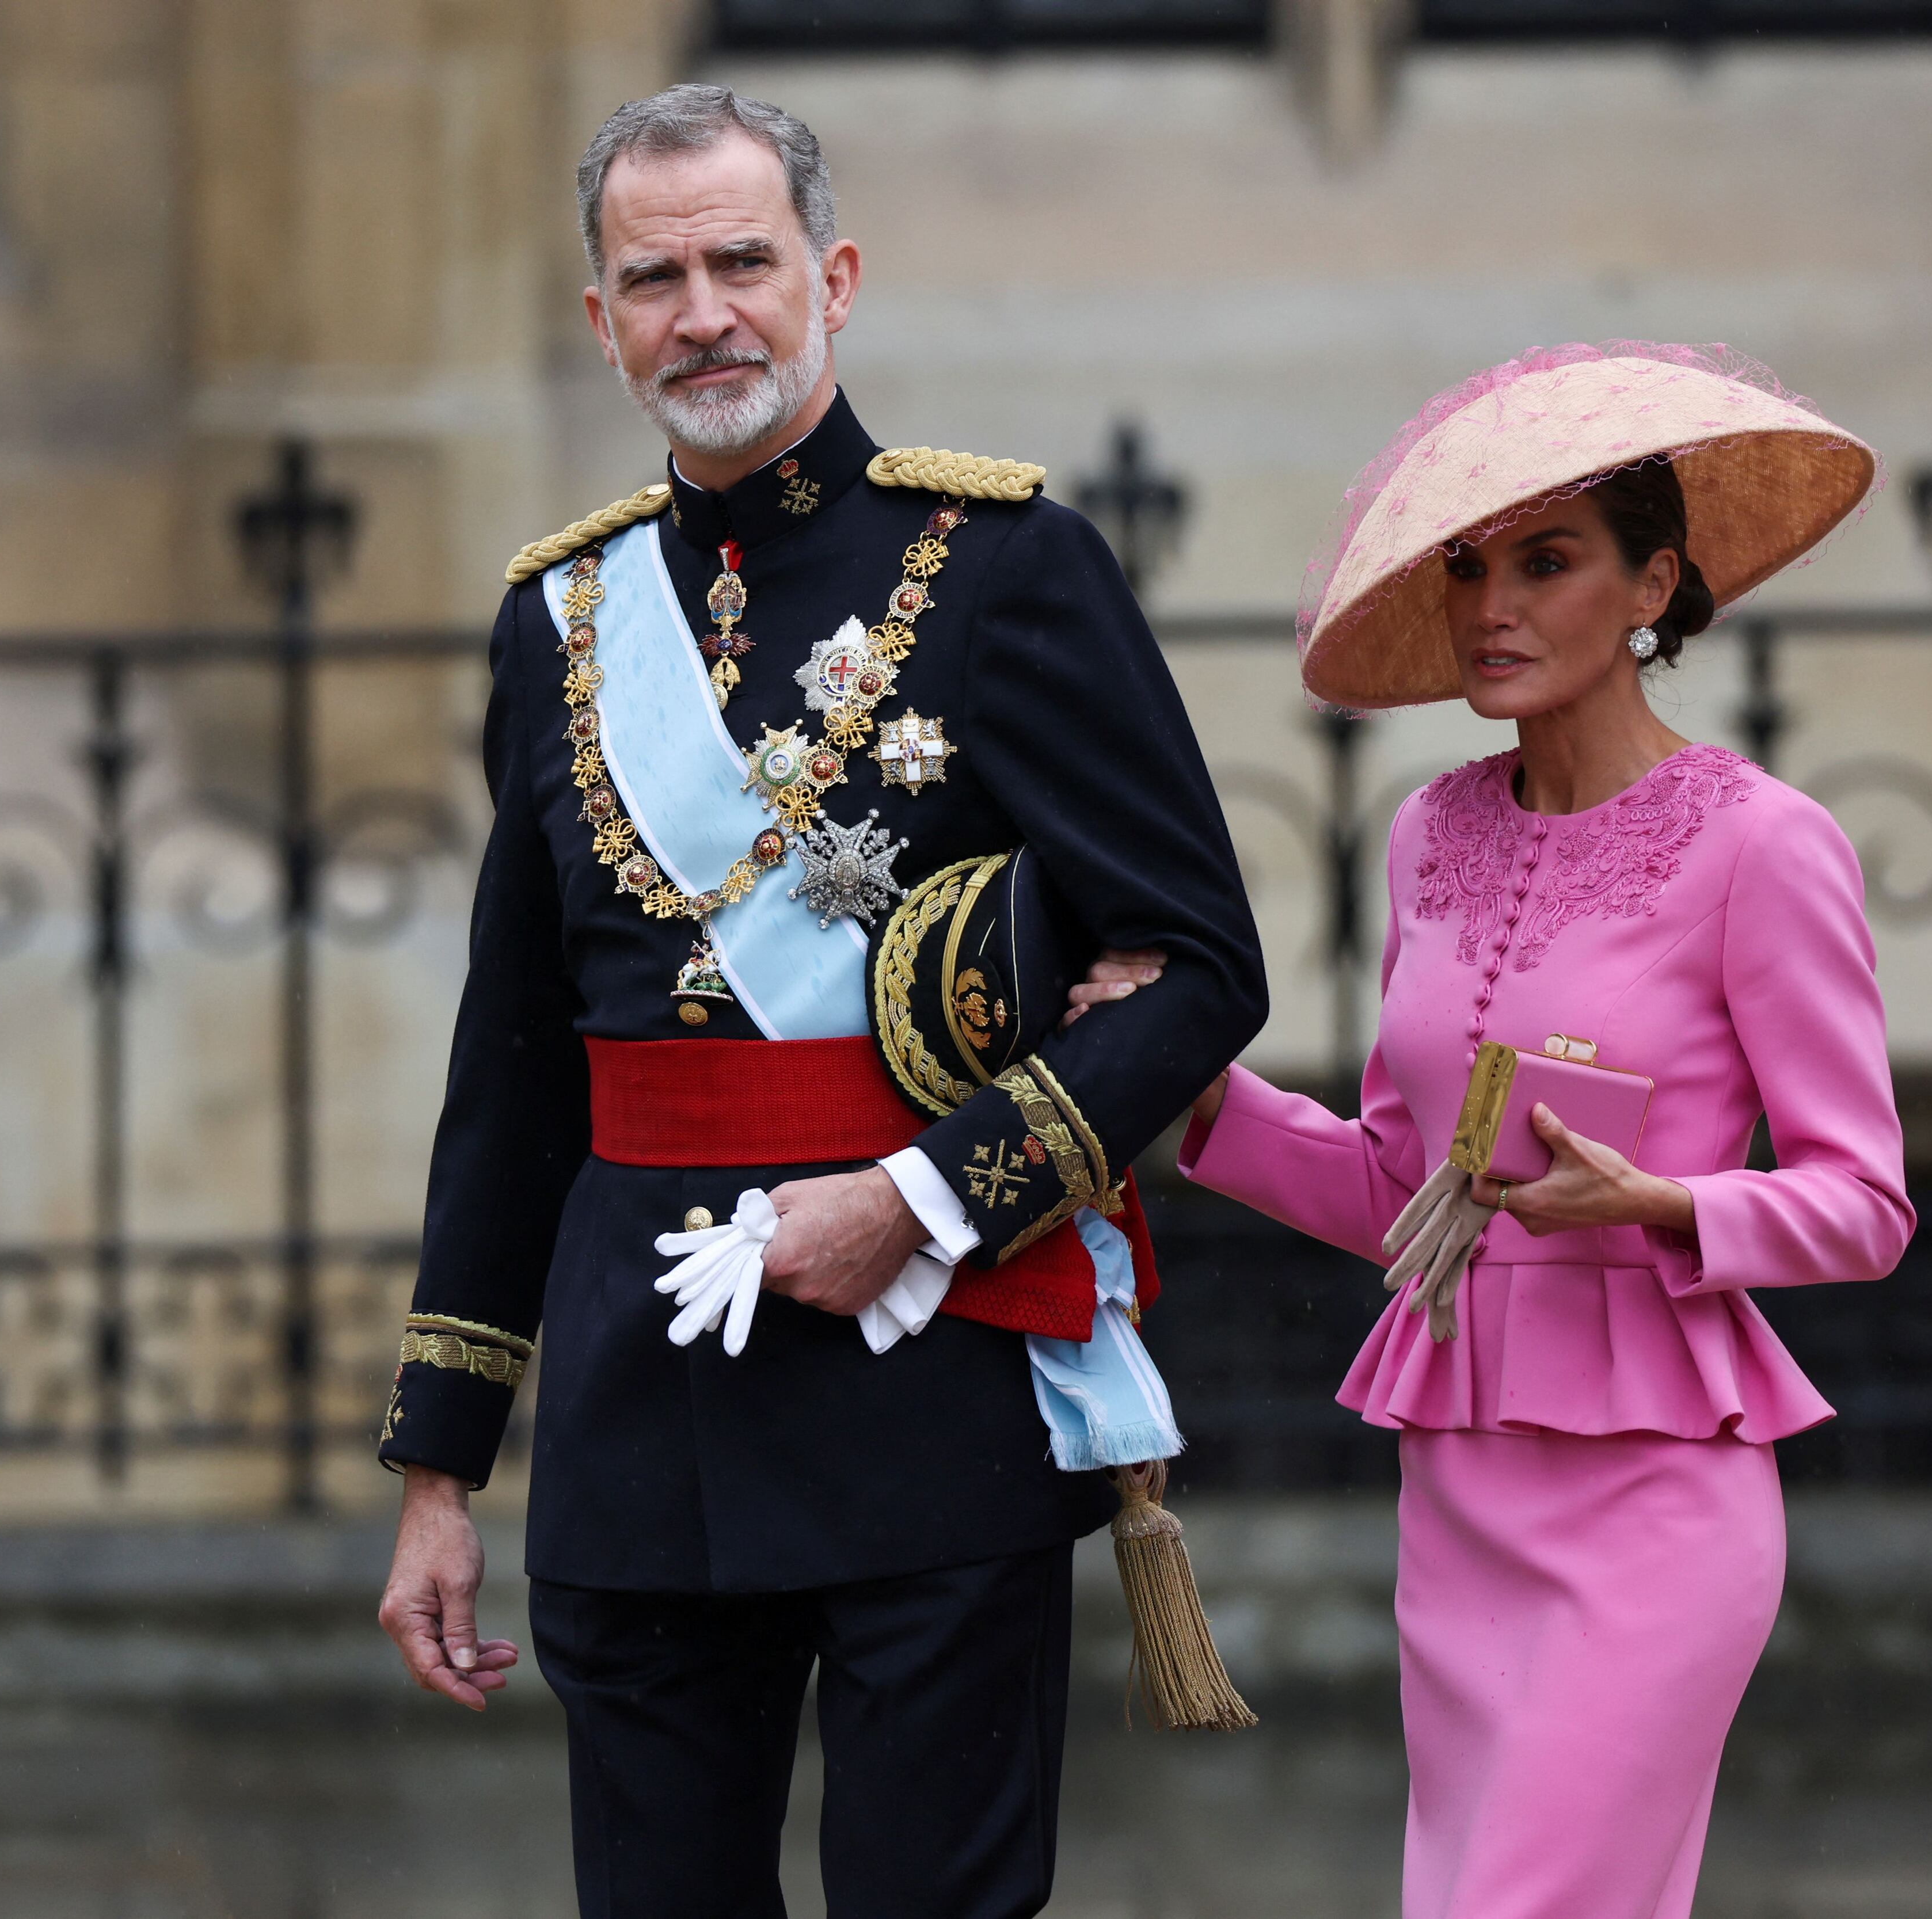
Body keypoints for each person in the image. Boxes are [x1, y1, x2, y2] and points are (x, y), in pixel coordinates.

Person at [372, 84, 1266, 1918]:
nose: (704, 312)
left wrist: (922, 1204)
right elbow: (518, 1063)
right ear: (600, 316)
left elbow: (1201, 972)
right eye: (655, 276)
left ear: (832, 278)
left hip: (919, 1376)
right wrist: (442, 1465)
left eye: (742, 262)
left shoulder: (1013, 571)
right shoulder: (559, 621)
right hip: (643, 1400)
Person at [1174, 343, 1914, 1919]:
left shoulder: (1765, 847)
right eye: (1468, 568)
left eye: (1548, 562)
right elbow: (1399, 1185)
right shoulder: (1434, 833)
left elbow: (1866, 1204)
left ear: (1656, 585)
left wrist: (1663, 1204)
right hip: (1462, 1494)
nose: (1492, 606)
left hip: (1658, 1501)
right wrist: (1190, 1109)